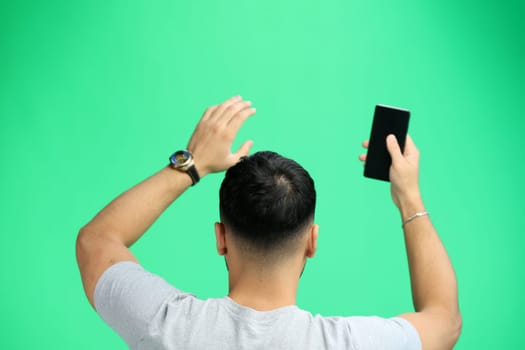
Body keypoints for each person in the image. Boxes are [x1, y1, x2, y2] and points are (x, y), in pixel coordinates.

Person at [76, 95, 462, 350]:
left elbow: (96, 241)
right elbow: (444, 321)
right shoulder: (351, 343)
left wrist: (190, 166)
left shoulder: (163, 325)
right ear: (312, 242)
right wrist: (409, 196)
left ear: (220, 238)